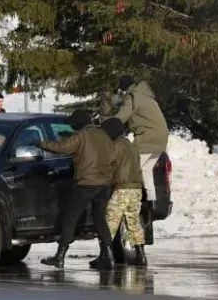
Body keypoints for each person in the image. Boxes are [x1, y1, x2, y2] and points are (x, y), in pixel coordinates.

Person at [37, 110, 114, 270]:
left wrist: (41, 144)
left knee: (70, 218)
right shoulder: (104, 136)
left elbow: (62, 147)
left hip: (86, 184)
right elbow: (112, 156)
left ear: (78, 124)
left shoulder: (82, 135)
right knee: (100, 219)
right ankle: (108, 255)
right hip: (104, 185)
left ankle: (60, 256)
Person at [100, 76, 168, 215]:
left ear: (125, 88)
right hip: (161, 138)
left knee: (134, 170)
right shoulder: (146, 94)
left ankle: (134, 205)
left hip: (147, 138)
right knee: (146, 170)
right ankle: (151, 203)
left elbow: (120, 118)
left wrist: (104, 127)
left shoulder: (133, 97)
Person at [101, 117, 147, 267]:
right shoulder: (132, 146)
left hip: (122, 189)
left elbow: (106, 162)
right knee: (133, 222)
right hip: (136, 188)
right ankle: (141, 255)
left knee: (110, 223)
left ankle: (106, 257)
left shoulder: (115, 146)